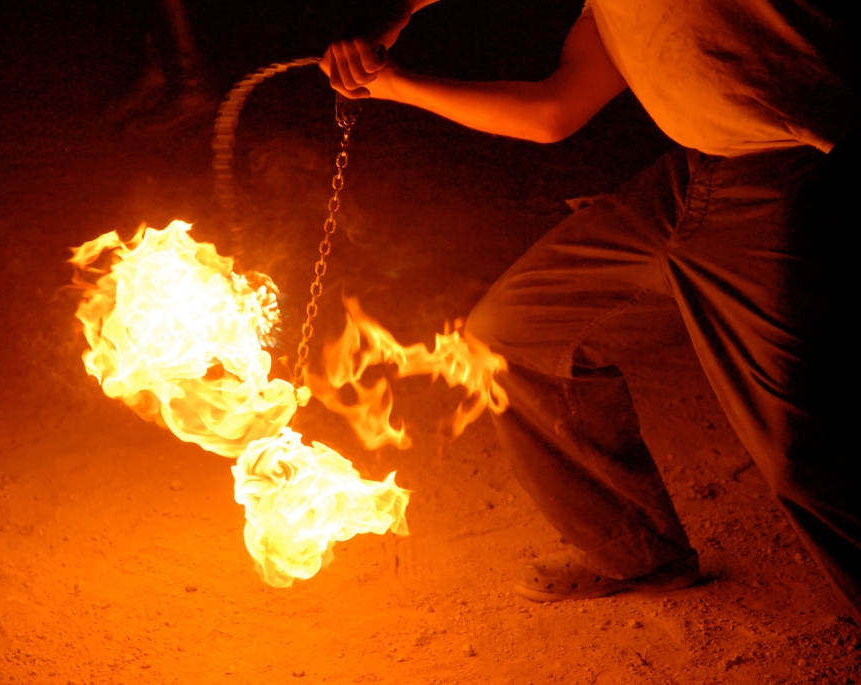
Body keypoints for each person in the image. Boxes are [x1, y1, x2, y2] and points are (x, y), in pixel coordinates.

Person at [322, 0, 861, 617]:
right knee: (515, 337)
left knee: (809, 450)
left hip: (798, 173)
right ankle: (636, 553)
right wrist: (391, 81)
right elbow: (554, 112)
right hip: (693, 177)